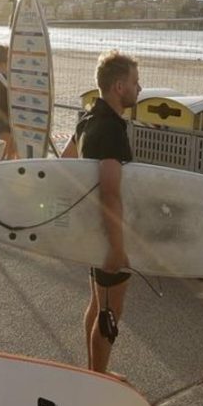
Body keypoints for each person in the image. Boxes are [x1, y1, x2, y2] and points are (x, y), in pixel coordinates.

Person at [75, 50, 139, 377]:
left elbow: (66, 161)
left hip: (92, 230)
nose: (138, 89)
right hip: (108, 233)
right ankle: (98, 381)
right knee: (110, 313)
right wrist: (117, 246)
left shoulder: (87, 118)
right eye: (134, 82)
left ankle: (92, 372)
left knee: (98, 306)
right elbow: (111, 192)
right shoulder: (111, 130)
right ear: (118, 87)